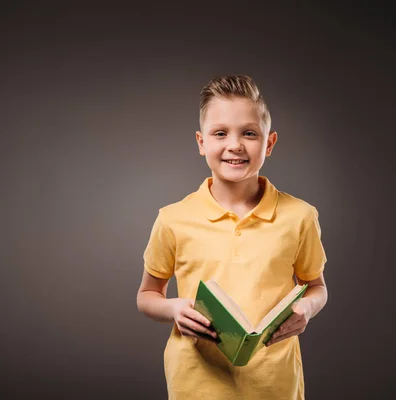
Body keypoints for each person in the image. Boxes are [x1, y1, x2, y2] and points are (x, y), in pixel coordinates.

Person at [136, 74, 328, 400]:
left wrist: (307, 309)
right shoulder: (173, 218)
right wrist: (174, 309)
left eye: (249, 134)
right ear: (201, 142)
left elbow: (317, 287)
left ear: (269, 143)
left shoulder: (300, 216)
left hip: (275, 383)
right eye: (220, 133)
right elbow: (147, 296)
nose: (235, 145)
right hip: (196, 383)